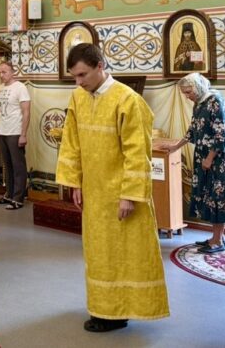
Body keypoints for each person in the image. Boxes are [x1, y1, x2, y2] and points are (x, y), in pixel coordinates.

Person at [56, 43, 169, 332]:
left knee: (124, 253)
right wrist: (75, 182)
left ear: (100, 66)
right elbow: (72, 141)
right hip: (94, 194)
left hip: (121, 195)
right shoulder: (79, 97)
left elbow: (138, 153)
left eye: (82, 75)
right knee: (99, 253)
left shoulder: (128, 100)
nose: (78, 82)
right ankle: (104, 307)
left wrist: (129, 195)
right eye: (74, 77)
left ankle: (119, 311)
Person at [160, 74, 225, 252]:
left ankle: (218, 241)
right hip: (206, 156)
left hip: (219, 158)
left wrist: (209, 159)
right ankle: (216, 238)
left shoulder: (215, 101)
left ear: (199, 87)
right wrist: (175, 147)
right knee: (209, 197)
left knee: (218, 198)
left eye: (189, 92)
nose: (187, 96)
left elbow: (221, 134)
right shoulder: (199, 102)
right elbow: (193, 129)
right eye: (185, 93)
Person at [0, 62, 31, 210]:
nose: (1, 75)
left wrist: (23, 134)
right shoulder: (2, 88)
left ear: (12, 72)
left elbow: (26, 112)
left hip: (15, 132)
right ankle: (9, 194)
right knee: (7, 165)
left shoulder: (20, 88)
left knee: (18, 166)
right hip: (2, 131)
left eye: (4, 72)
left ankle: (18, 198)